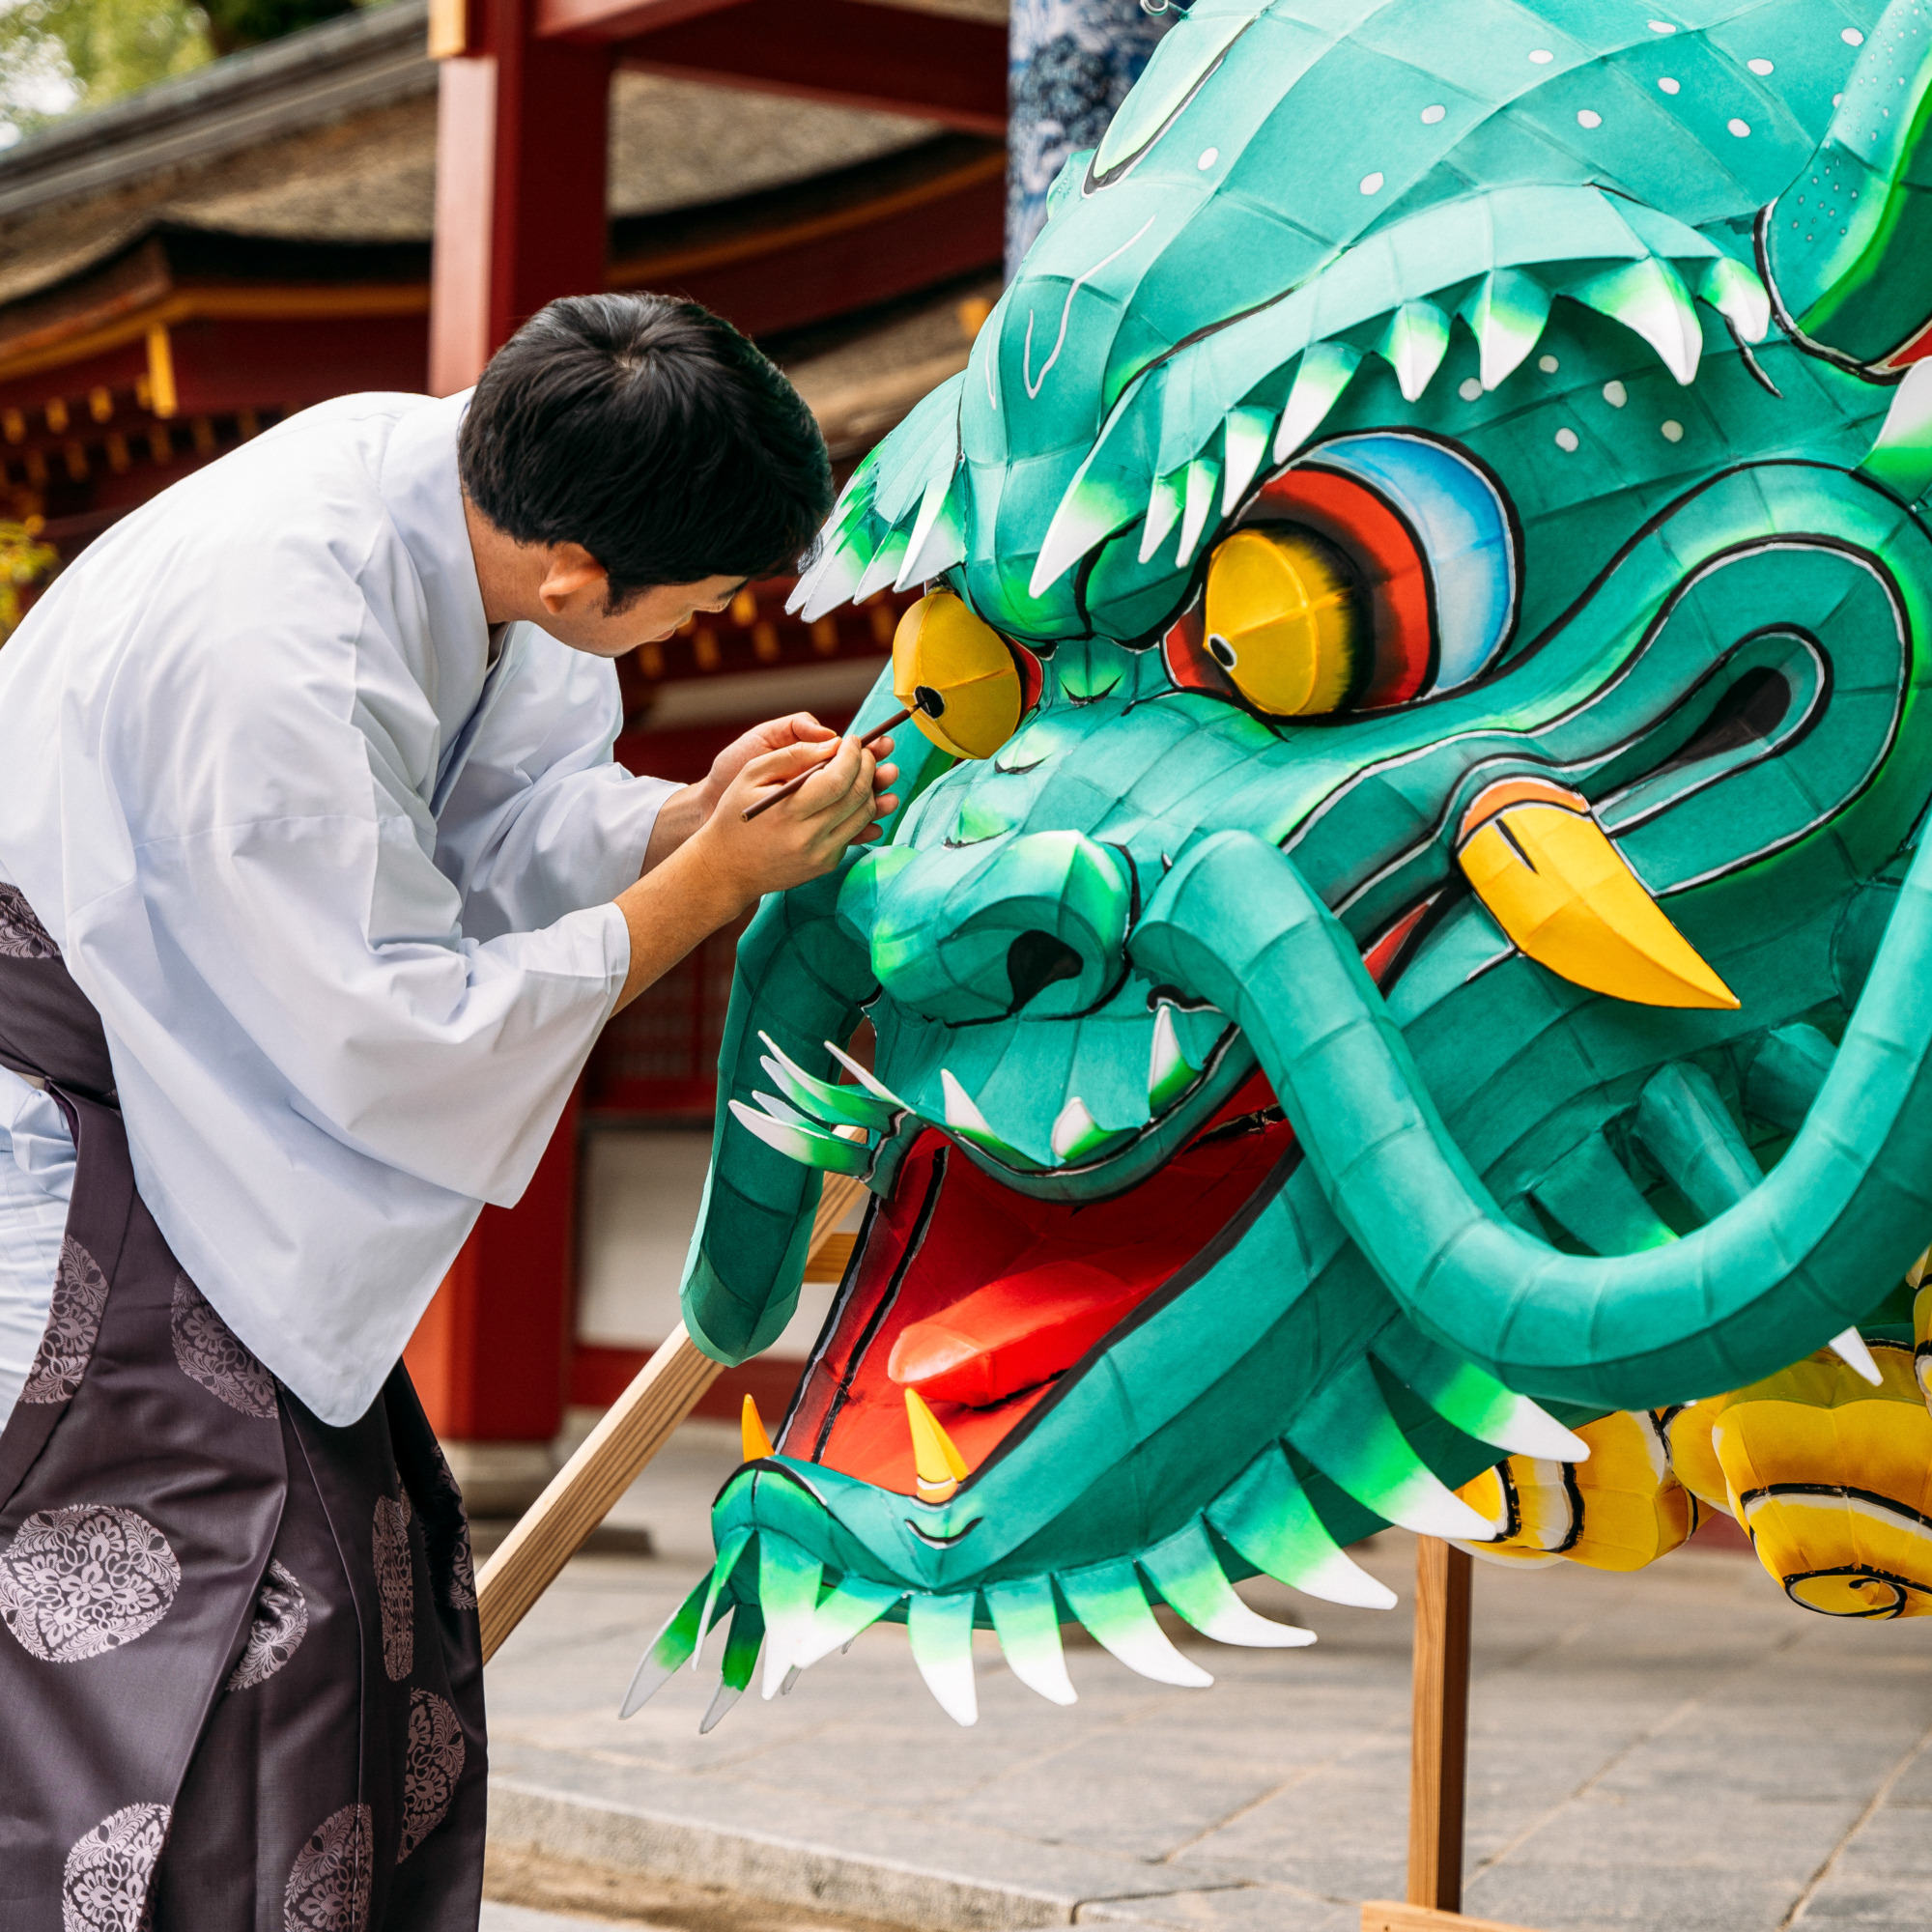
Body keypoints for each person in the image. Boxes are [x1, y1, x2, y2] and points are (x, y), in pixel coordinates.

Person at [0, 292, 895, 1929]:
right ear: (578, 574)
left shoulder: (436, 481)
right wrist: (703, 888)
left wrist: (667, 824)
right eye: (691, 603)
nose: (693, 628)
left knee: (372, 1578)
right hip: (87, 1114)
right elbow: (385, 1023)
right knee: (260, 1605)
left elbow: (479, 821)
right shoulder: (278, 633)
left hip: (188, 1066)